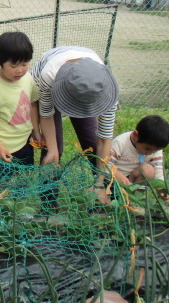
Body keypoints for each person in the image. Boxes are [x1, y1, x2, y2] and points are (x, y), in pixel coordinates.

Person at [30, 46, 119, 204]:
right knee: (52, 152)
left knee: (92, 143)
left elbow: (104, 138)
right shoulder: (48, 75)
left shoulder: (107, 88)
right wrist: (53, 149)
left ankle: (105, 195)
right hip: (49, 84)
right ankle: (49, 207)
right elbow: (47, 115)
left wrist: (99, 182)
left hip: (86, 87)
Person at [0, 32, 42, 184]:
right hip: (3, 147)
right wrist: (0, 148)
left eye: (24, 64)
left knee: (25, 179)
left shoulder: (27, 78)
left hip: (25, 142)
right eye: (13, 65)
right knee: (1, 184)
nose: (20, 70)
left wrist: (36, 131)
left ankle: (20, 203)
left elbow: (33, 105)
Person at [110, 115, 169, 185]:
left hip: (131, 180)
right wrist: (115, 174)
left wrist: (161, 186)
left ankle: (134, 195)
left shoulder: (154, 147)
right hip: (112, 180)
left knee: (148, 170)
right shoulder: (120, 143)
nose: (150, 153)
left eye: (155, 151)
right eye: (147, 148)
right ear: (135, 135)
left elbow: (158, 170)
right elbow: (105, 165)